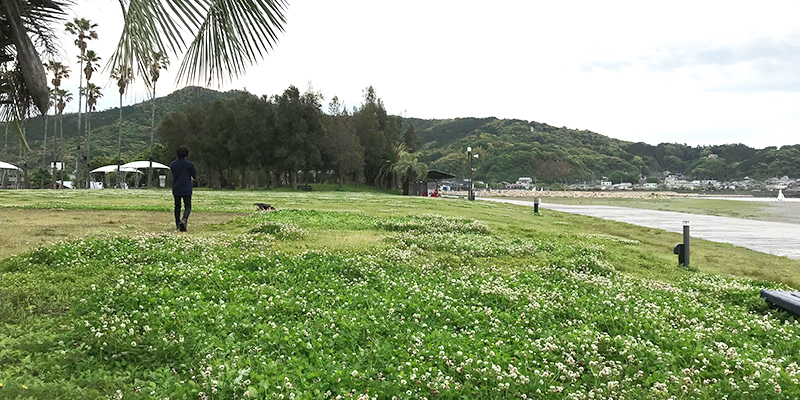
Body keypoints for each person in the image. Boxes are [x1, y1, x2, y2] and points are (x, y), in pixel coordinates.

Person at [170, 145, 196, 231]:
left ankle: (177, 224)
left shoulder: (173, 164)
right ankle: (184, 219)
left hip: (176, 187)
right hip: (186, 187)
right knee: (187, 206)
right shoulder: (189, 164)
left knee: (177, 206)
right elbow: (194, 175)